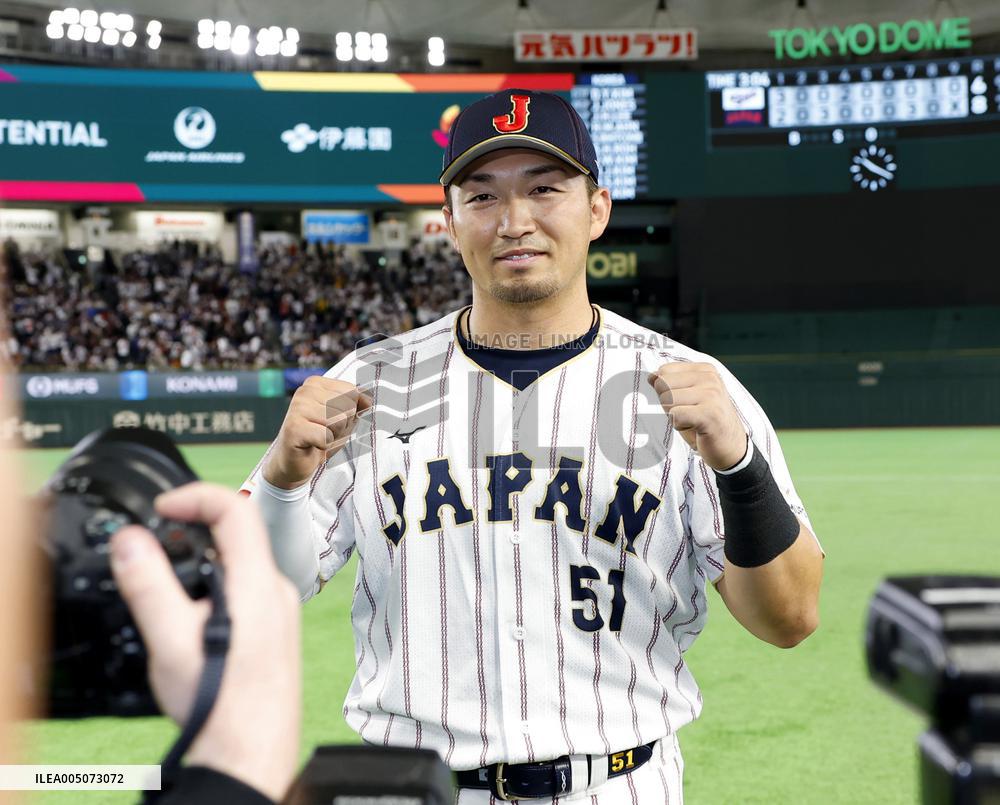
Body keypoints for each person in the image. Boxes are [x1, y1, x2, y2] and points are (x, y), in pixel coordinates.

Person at [243, 89, 825, 803]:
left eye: (544, 189)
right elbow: (252, 599)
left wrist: (738, 466)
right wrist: (280, 479)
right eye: (483, 196)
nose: (515, 221)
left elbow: (790, 617)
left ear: (597, 209)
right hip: (414, 787)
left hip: (618, 783)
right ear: (450, 223)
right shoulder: (370, 383)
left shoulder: (689, 387)